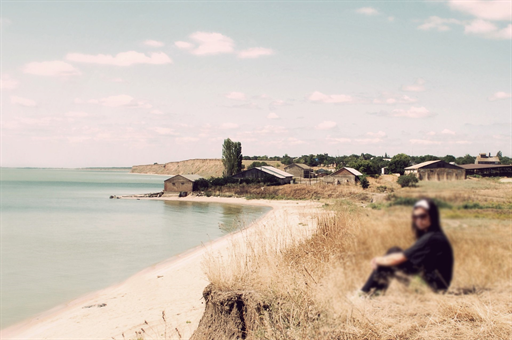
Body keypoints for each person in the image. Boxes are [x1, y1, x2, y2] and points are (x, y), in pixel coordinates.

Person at [360, 198, 454, 296]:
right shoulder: (434, 235)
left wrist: (377, 260)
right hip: (436, 284)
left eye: (422, 216)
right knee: (392, 254)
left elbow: (399, 259)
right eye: (415, 217)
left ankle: (364, 294)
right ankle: (373, 293)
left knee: (391, 256)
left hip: (434, 288)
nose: (418, 220)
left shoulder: (432, 237)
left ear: (432, 216)